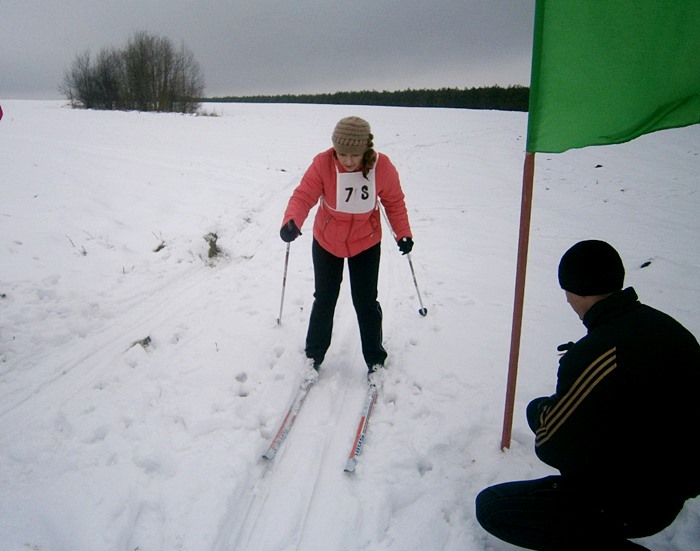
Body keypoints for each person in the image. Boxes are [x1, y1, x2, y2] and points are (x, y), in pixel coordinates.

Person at [475, 240, 700, 550]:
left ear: (574, 291)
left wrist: (539, 409)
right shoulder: (664, 326)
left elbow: (553, 445)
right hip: (672, 480)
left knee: (494, 507)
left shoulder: (596, 355)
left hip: (638, 502)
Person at [279, 116, 413, 377]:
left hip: (366, 241)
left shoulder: (381, 167)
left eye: (355, 155)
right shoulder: (323, 164)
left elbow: (394, 202)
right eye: (342, 154)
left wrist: (403, 234)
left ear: (366, 149)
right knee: (325, 298)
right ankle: (313, 355)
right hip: (327, 240)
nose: (348, 161)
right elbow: (304, 195)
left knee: (365, 301)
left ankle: (375, 358)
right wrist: (292, 221)